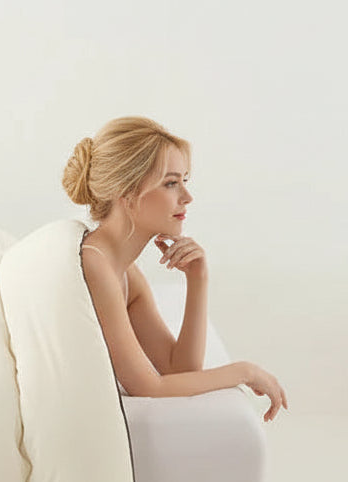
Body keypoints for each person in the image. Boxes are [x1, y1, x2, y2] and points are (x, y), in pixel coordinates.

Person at [62, 115, 288, 423]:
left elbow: (178, 370)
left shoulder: (125, 272)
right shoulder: (95, 263)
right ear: (126, 193)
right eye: (171, 183)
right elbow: (148, 387)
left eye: (184, 181)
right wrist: (244, 371)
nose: (187, 197)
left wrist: (198, 279)